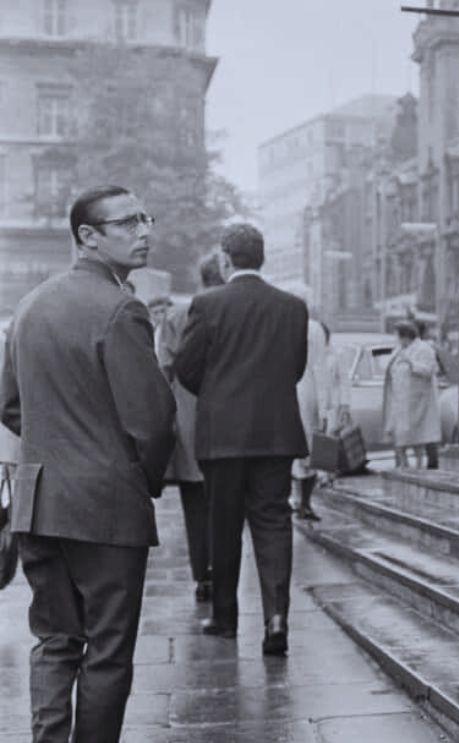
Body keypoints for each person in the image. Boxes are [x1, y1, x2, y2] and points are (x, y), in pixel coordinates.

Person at [0, 185, 176, 742]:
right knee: (107, 649)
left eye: (144, 219)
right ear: (88, 237)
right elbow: (150, 420)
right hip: (104, 507)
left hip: (40, 501)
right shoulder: (123, 308)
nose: (144, 231)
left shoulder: (29, 306)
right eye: (126, 223)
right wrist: (137, 477)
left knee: (54, 641)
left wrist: (55, 448)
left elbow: (7, 403)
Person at [173, 224, 308, 656]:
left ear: (226, 259)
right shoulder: (292, 307)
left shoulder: (208, 304)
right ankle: (276, 619)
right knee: (273, 522)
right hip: (276, 433)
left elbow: (187, 367)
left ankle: (226, 618)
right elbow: (296, 367)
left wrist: (217, 397)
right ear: (261, 258)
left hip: (223, 435)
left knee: (224, 525)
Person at [157, 253, 224, 603]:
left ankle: (204, 576)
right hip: (229, 424)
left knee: (195, 506)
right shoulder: (233, 309)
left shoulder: (176, 316)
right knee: (228, 505)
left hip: (187, 421)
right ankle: (225, 573)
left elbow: (164, 369)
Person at [382, 321, 441, 469]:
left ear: (406, 336)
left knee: (418, 436)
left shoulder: (424, 349)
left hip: (418, 401)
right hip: (401, 401)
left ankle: (420, 465)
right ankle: (403, 464)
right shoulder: (399, 350)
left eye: (398, 336)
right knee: (400, 435)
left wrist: (411, 363)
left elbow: (430, 370)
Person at [291, 295, 329, 521]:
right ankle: (304, 502)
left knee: (294, 452)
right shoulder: (314, 329)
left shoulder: (281, 324)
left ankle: (297, 501)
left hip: (287, 390)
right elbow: (319, 367)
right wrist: (325, 408)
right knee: (311, 449)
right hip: (308, 391)